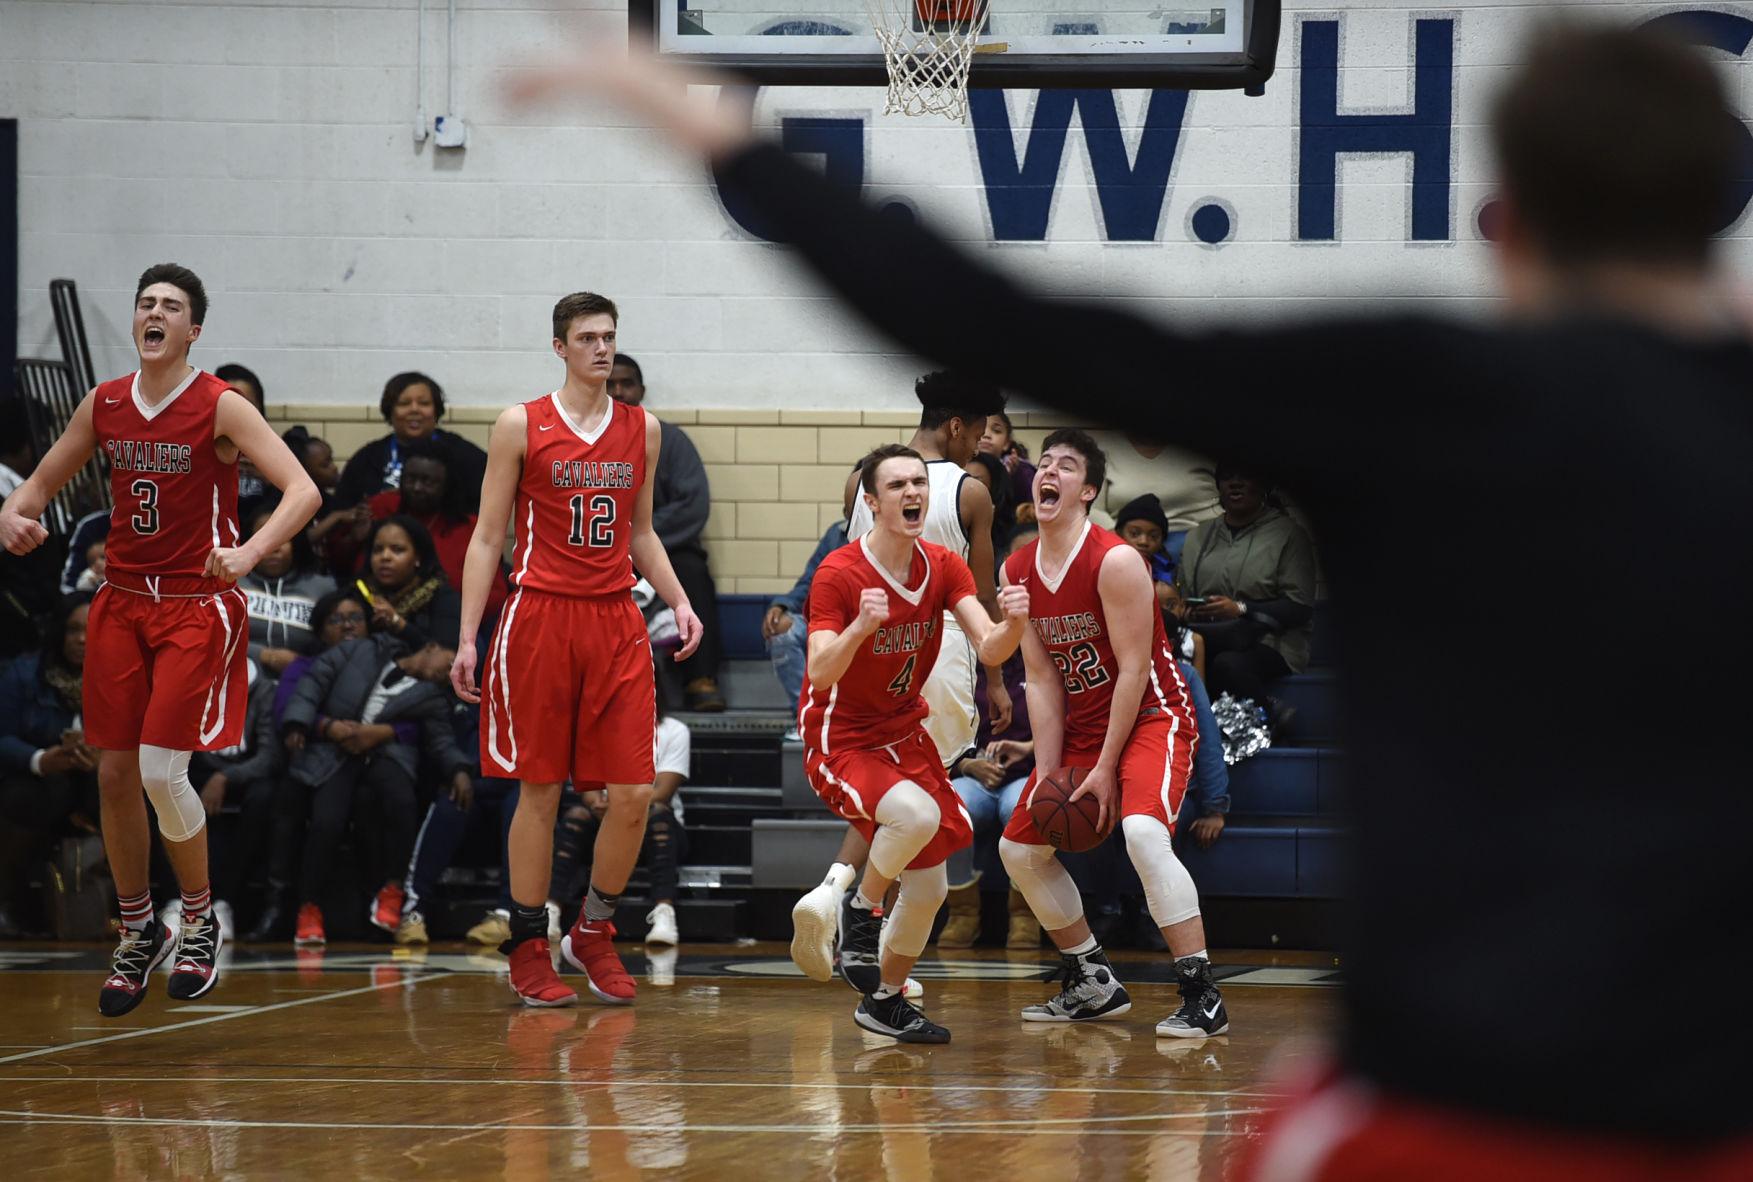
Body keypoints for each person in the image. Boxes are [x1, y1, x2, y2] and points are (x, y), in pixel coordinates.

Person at [516, 24, 1753, 1167]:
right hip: (1709, 1104)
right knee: (1005, 832)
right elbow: (1029, 654)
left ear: (1513, 222)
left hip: (1445, 1096)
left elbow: (1022, 321)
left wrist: (733, 147)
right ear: (1716, 212)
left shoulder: (1419, 391)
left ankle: (1151, 971)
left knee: (1127, 838)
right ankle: (1060, 965)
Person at [0, 263, 319, 1016]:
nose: (155, 313)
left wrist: (247, 552)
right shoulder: (104, 401)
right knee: (113, 776)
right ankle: (138, 929)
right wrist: (15, 513)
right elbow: (35, 485)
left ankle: (200, 919)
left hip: (193, 607)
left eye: (171, 306)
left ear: (193, 329)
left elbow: (302, 489)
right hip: (118, 607)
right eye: (146, 303)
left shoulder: (220, 406)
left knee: (157, 772)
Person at [451, 291, 703, 1008]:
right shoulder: (518, 425)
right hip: (537, 617)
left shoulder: (642, 430)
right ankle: (530, 944)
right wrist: (469, 636)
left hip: (616, 620)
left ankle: (592, 930)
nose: (601, 349)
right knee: (540, 788)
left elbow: (643, 532)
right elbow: (487, 538)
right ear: (559, 347)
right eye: (587, 338)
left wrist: (680, 602)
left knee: (630, 795)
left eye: (609, 337)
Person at [996, 431, 1226, 1035]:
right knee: (1018, 849)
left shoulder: (1117, 559)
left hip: (1152, 714)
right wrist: (1048, 773)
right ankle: (1092, 978)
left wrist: (1103, 767)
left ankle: (1202, 993)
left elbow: (1132, 669)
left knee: (1144, 836)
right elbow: (1041, 680)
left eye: (1066, 467)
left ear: (1088, 491)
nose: (1049, 472)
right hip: (1083, 726)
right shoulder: (1017, 568)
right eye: (1043, 463)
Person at [799, 443, 1029, 1042]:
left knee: (928, 886)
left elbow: (989, 647)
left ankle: (884, 1000)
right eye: (898, 485)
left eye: (919, 483)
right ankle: (860, 910)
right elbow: (821, 672)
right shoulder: (839, 573)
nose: (913, 494)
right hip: (841, 737)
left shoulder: (944, 565)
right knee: (917, 815)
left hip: (904, 732)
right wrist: (860, 627)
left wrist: (1016, 624)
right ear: (871, 503)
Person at [280, 637, 470, 943]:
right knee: (327, 821)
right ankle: (309, 907)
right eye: (449, 662)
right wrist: (300, 723)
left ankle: (393, 891)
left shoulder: (434, 696)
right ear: (431, 645)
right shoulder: (362, 650)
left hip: (385, 755)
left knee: (403, 801)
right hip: (336, 751)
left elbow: (441, 741)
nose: (447, 673)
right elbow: (314, 681)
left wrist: (459, 770)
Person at [605, 354, 725, 711]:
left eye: (627, 383)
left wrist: (637, 537)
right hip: (603, 551)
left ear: (641, 390)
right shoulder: (582, 444)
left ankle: (701, 679)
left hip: (664, 548)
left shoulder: (669, 440)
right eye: (611, 384)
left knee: (692, 571)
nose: (619, 391)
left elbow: (693, 505)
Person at [249, 588, 369, 942]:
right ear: (318, 629)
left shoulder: (380, 659)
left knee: (330, 818)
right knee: (284, 808)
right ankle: (276, 906)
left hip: (359, 760)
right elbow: (287, 711)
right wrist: (324, 726)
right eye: (336, 619)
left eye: (355, 618)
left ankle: (318, 906)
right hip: (308, 757)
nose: (347, 626)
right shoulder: (303, 666)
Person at [551, 679, 692, 947]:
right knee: (576, 817)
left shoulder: (674, 730)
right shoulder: (594, 729)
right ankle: (551, 909)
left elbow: (662, 791)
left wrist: (620, 807)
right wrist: (598, 804)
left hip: (651, 821)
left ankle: (664, 913)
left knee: (658, 813)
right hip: (603, 819)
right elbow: (588, 789)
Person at [1174, 461, 1316, 720]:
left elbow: (1300, 607)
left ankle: (1272, 720)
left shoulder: (1289, 534)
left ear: (1263, 485)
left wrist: (1240, 608)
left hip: (1272, 642)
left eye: (1245, 476)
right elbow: (1181, 596)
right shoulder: (1198, 535)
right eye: (1227, 477)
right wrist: (1184, 610)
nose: (1235, 483)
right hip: (1209, 635)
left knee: (1227, 664)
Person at [0, 593, 99, 937]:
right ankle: (10, 905)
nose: (82, 639)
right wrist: (41, 759)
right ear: (59, 632)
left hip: (99, 780)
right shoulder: (24, 672)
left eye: (91, 629)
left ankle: (168, 906)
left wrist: (106, 759)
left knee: (134, 796)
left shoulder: (122, 675)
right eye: (73, 630)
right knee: (27, 799)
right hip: (40, 777)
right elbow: (3, 736)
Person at [340, 440, 511, 621]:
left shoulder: (469, 528)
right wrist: (354, 540)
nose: (416, 488)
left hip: (451, 621)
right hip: (377, 618)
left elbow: (496, 596)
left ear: (446, 485)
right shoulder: (382, 507)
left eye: (428, 482)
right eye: (410, 479)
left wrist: (450, 611)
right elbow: (347, 571)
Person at [188, 655, 281, 939]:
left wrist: (226, 778)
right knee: (166, 789)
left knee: (264, 798)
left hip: (247, 774)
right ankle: (176, 902)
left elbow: (270, 756)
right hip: (201, 766)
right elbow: (181, 738)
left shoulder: (264, 690)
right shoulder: (191, 680)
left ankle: (224, 903)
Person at [335, 372, 488, 512]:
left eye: (424, 403)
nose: (414, 410)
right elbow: (345, 507)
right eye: (404, 403)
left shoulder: (463, 454)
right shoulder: (367, 458)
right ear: (390, 411)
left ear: (436, 410)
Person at [762, 519, 847, 720]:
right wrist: (782, 605)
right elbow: (810, 582)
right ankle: (808, 716)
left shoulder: (886, 537)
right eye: (847, 509)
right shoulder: (837, 533)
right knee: (783, 630)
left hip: (867, 627)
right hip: (829, 624)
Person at [1114, 493, 1204, 681]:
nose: (1144, 541)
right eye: (1135, 533)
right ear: (1120, 534)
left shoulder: (1167, 573)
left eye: (1153, 536)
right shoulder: (1109, 568)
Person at [239, 506, 337, 677]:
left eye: (282, 538)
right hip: (239, 680)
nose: (273, 548)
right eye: (263, 538)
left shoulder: (323, 588)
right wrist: (266, 656)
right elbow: (214, 638)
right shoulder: (231, 585)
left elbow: (337, 645)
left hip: (303, 684)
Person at [357, 516, 462, 653]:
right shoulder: (359, 593)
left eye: (397, 550)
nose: (385, 557)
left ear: (418, 557)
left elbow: (445, 655)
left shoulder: (442, 596)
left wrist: (398, 623)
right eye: (377, 550)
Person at [977, 409, 1035, 526]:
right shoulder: (957, 466)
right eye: (980, 427)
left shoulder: (1022, 471)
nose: (986, 435)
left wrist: (1009, 478)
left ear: (1006, 443)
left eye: (996, 430)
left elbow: (1028, 512)